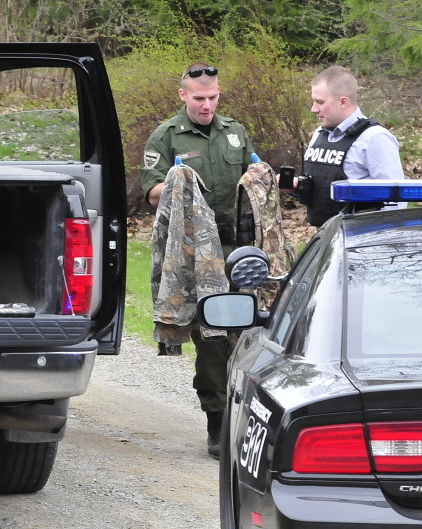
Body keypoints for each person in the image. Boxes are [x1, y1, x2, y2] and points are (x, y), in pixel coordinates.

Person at [141, 62, 254, 459]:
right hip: (194, 253)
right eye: (199, 98)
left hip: (237, 249)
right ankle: (218, 422)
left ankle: (251, 422)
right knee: (212, 336)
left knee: (251, 333)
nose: (207, 105)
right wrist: (175, 183)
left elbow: (252, 179)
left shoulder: (235, 133)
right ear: (183, 96)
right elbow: (150, 192)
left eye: (213, 97)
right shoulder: (166, 136)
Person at [300, 65, 404, 226]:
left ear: (343, 102)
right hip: (327, 239)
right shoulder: (319, 134)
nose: (314, 109)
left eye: (320, 102)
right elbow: (322, 188)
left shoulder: (374, 138)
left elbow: (395, 203)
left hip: (362, 242)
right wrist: (297, 187)